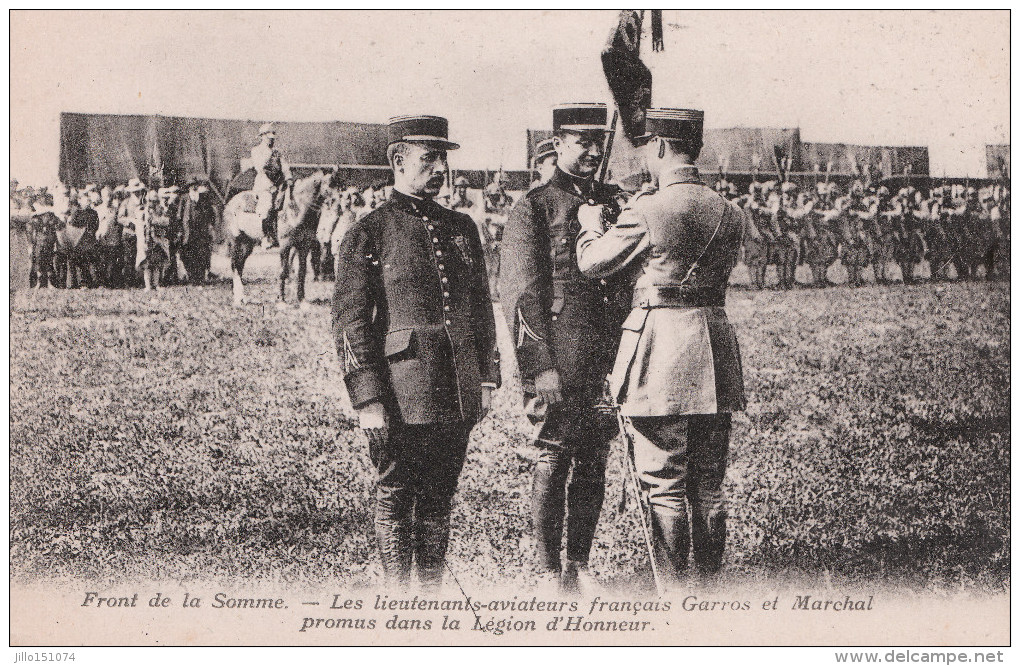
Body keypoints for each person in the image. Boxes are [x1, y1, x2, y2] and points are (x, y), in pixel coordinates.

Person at [574, 107, 746, 587]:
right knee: (709, 486)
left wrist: (590, 223)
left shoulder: (648, 208)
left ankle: (674, 597)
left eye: (647, 146)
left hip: (660, 353)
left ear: (662, 147)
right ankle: (708, 592)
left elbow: (593, 263)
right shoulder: (730, 211)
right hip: (713, 347)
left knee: (663, 482)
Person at [332, 114, 498, 591]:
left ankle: (430, 595)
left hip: (456, 388)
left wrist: (486, 378)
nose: (440, 168)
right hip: (401, 391)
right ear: (397, 161)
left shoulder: (463, 228)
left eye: (443, 158)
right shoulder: (368, 232)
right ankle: (401, 600)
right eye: (429, 158)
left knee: (440, 495)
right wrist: (368, 399)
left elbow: (480, 308)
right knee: (396, 491)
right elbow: (351, 322)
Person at [499, 103, 628, 594]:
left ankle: (581, 563)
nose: (594, 151)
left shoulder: (615, 202)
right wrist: (539, 368)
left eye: (599, 142)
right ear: (558, 144)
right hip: (559, 358)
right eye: (582, 142)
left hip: (608, 354)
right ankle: (548, 570)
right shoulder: (534, 206)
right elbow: (521, 294)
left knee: (595, 457)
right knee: (553, 456)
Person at [250, 122, 291, 248]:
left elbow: (284, 165)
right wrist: (271, 186)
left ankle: (285, 234)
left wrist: (288, 177)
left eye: (273, 138)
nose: (271, 140)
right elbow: (260, 167)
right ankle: (266, 236)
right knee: (267, 206)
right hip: (264, 184)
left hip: (279, 183)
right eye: (268, 137)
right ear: (262, 136)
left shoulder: (277, 152)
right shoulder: (256, 150)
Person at [180, 177, 218, 284]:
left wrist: (210, 227)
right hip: (187, 232)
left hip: (200, 232)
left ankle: (200, 278)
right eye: (191, 187)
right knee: (187, 254)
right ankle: (191, 276)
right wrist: (180, 231)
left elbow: (210, 214)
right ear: (189, 188)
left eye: (195, 186)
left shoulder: (203, 199)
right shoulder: (184, 198)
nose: (193, 188)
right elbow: (180, 215)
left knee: (200, 254)